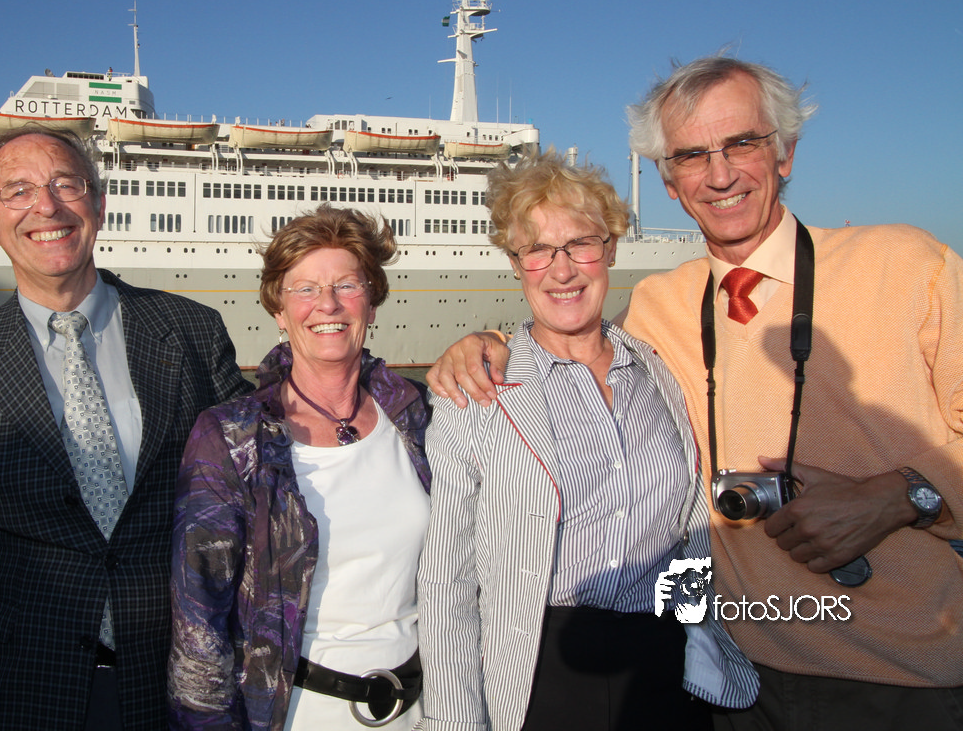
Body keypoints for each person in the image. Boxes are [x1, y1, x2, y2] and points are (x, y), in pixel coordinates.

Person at [429, 58, 963, 730]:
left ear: (786, 153)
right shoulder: (661, 307)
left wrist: (904, 495)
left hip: (900, 679)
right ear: (669, 182)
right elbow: (564, 349)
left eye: (741, 143)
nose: (719, 174)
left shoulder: (906, 266)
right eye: (691, 156)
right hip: (732, 681)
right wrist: (483, 340)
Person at [0, 127, 252, 731]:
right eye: (17, 191)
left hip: (181, 681)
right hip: (23, 689)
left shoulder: (191, 329)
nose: (46, 206)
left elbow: (262, 470)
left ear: (99, 204)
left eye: (66, 183)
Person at [417, 151, 756, 731]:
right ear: (516, 263)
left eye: (581, 245)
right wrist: (455, 721)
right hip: (539, 672)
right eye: (538, 250)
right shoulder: (476, 393)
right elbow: (447, 581)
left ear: (612, 250)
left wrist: (690, 631)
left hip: (663, 665)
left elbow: (689, 534)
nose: (562, 270)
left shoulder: (658, 374)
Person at [168, 204, 431, 730]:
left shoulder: (418, 416)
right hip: (299, 714)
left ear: (372, 301)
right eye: (305, 289)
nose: (327, 304)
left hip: (424, 710)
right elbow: (198, 621)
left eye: (347, 285)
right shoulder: (232, 437)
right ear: (279, 310)